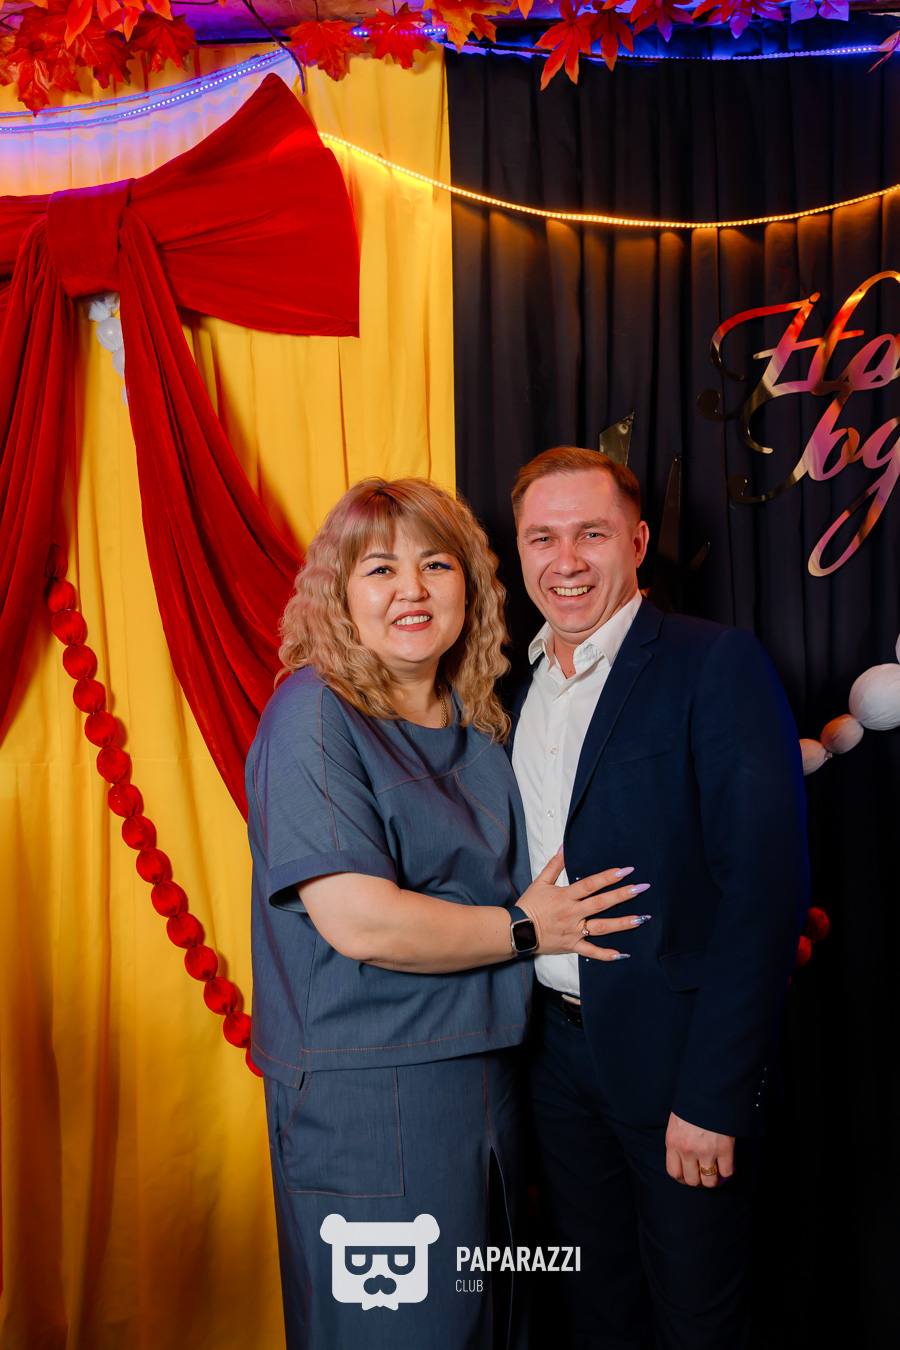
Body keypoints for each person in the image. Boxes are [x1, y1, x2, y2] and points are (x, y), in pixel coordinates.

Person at [245, 477, 650, 1350]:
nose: (412, 590)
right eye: (380, 569)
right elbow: (359, 920)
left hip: (492, 1080)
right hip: (372, 1096)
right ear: (338, 593)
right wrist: (527, 929)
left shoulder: (479, 718)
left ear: (471, 584)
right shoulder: (313, 714)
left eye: (436, 564)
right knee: (400, 1331)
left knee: (491, 1326)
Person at [508, 446, 809, 1350]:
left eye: (591, 534)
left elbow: (764, 891)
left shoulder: (712, 662)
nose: (566, 561)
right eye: (542, 538)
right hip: (550, 1062)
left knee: (697, 1322)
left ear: (637, 542)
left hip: (678, 1065)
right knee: (596, 1313)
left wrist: (716, 1095)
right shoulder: (510, 685)